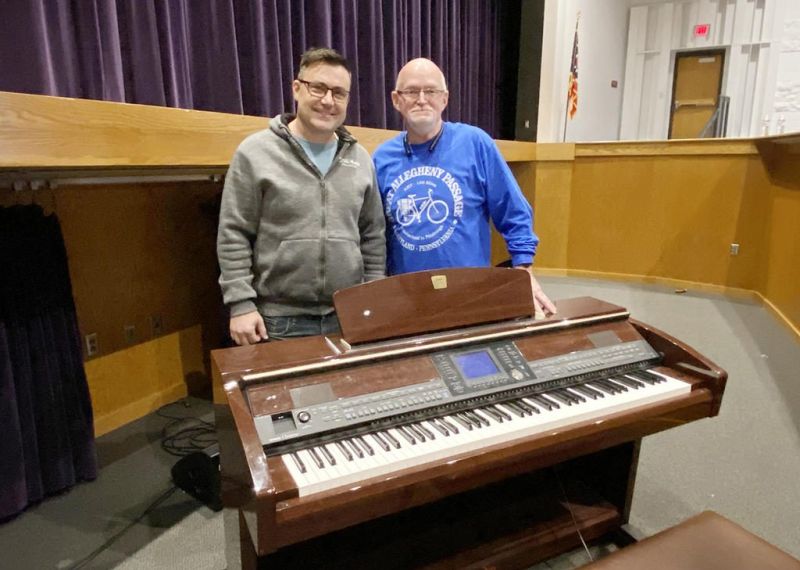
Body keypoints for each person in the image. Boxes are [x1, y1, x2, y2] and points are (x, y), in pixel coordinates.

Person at [217, 47, 386, 345]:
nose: (327, 101)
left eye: (339, 93)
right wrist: (240, 304)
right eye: (318, 88)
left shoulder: (360, 158)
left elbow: (373, 234)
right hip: (278, 321)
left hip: (347, 317)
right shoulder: (255, 152)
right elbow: (234, 233)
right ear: (297, 88)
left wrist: (372, 296)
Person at [372, 58, 556, 316]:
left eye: (431, 91)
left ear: (444, 99)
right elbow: (373, 234)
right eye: (412, 91)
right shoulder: (381, 158)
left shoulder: (475, 143)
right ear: (396, 99)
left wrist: (524, 269)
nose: (422, 99)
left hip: (471, 294)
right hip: (407, 299)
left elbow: (512, 209)